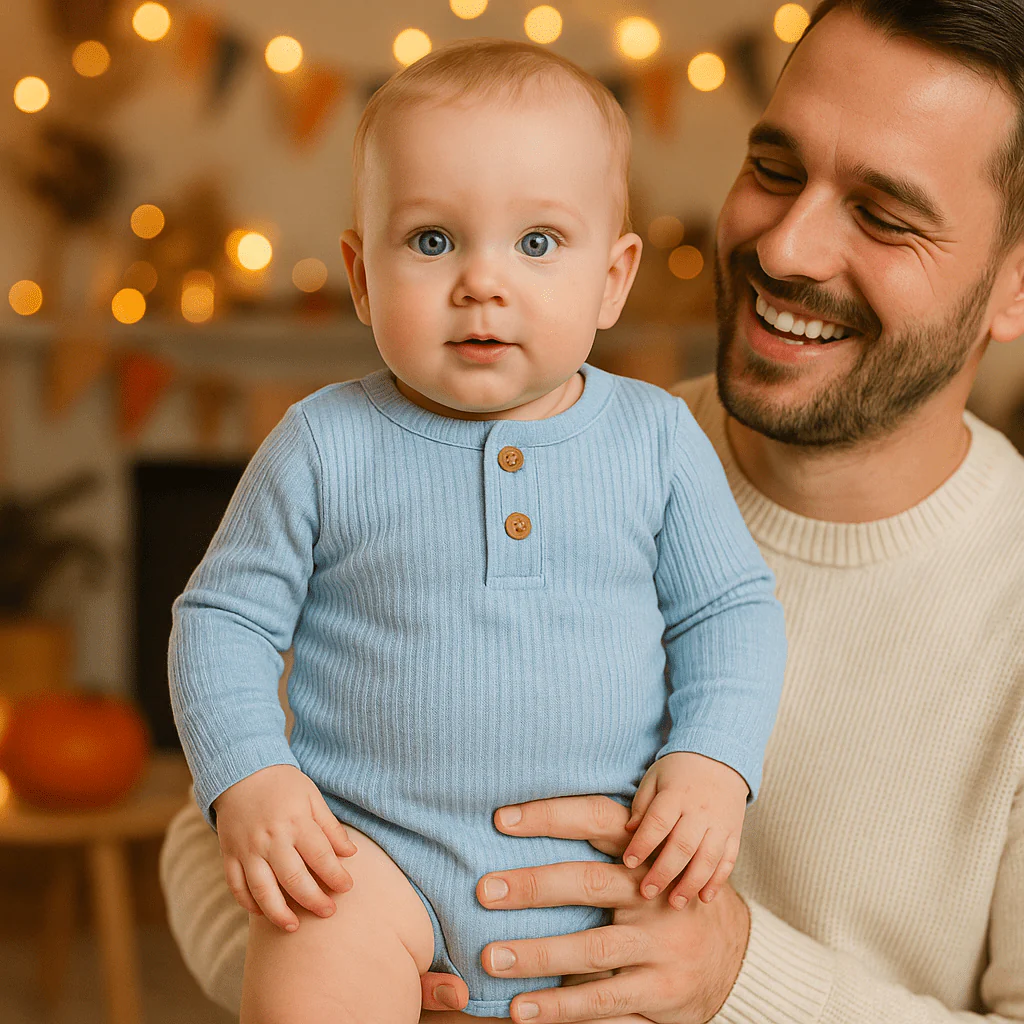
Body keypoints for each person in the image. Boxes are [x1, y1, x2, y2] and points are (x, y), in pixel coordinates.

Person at [161, 0, 1024, 1021]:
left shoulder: (650, 460)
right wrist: (361, 969)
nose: (787, 247)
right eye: (775, 169)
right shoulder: (414, 442)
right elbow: (217, 813)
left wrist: (738, 977)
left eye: (883, 215)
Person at [165, 39, 787, 1024]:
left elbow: (731, 610)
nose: (481, 283)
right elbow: (219, 622)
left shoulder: (656, 438)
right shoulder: (325, 442)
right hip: (364, 858)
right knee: (311, 972)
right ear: (362, 277)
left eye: (537, 242)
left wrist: (713, 757)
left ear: (613, 278)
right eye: (431, 241)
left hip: (597, 885)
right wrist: (250, 776)